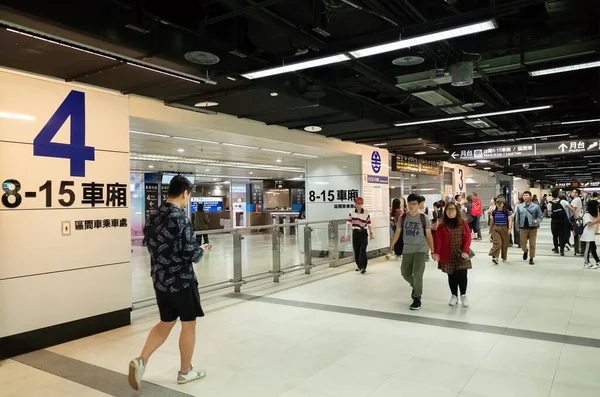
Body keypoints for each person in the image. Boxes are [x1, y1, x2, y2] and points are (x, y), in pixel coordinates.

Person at [129, 175, 209, 391]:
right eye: (189, 196)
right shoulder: (180, 218)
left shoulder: (154, 215)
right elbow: (190, 253)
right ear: (185, 193)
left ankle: (142, 360)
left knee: (165, 322)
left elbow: (151, 243)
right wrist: (201, 250)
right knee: (189, 323)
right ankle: (185, 371)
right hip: (181, 281)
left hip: (160, 280)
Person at [389, 194, 434, 311]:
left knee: (418, 274)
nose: (411, 206)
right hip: (407, 249)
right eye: (409, 203)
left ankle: (417, 297)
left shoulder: (423, 218)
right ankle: (415, 286)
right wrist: (391, 245)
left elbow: (429, 235)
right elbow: (397, 232)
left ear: (418, 205)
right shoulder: (403, 217)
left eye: (414, 203)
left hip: (420, 249)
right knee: (404, 273)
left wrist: (433, 251)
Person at [433, 202, 472, 307]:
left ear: (457, 211)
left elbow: (468, 237)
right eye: (448, 210)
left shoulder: (462, 223)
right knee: (451, 275)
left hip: (461, 254)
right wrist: (436, 252)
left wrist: (465, 250)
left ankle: (463, 295)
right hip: (448, 254)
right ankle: (454, 295)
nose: (450, 211)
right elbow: (438, 240)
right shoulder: (442, 226)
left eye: (453, 209)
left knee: (462, 274)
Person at [345, 197, 374, 274]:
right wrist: (346, 233)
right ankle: (359, 265)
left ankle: (363, 267)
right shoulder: (351, 212)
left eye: (360, 203)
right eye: (357, 203)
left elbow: (369, 223)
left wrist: (371, 233)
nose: (358, 205)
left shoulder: (366, 212)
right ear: (355, 203)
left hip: (363, 233)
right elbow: (348, 223)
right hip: (355, 232)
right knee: (357, 250)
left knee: (362, 250)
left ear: (362, 204)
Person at [515, 191, 544, 265]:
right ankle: (525, 250)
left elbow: (540, 216)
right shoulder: (519, 206)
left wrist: (536, 221)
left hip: (533, 228)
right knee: (522, 243)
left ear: (530, 197)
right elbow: (517, 218)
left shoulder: (535, 206)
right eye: (524, 195)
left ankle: (531, 257)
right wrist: (517, 227)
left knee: (532, 243)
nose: (525, 197)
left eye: (527, 195)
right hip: (523, 227)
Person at [489, 198, 512, 264]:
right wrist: (490, 229)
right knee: (497, 243)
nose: (499, 205)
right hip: (496, 228)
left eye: (500, 203)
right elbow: (492, 221)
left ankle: (504, 257)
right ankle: (496, 257)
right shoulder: (494, 212)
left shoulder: (506, 211)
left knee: (505, 244)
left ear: (503, 204)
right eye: (497, 203)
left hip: (505, 228)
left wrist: (509, 228)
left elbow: (510, 220)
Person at [549, 189, 570, 256]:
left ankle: (556, 249)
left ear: (552, 196)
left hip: (554, 222)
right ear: (558, 195)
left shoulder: (550, 203)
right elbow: (571, 208)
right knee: (562, 236)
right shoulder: (563, 201)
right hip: (562, 222)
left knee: (555, 236)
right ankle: (562, 250)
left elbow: (549, 214)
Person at [582, 200, 600, 269]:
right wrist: (597, 221)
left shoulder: (592, 214)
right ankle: (586, 262)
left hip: (590, 234)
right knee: (588, 249)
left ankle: (598, 261)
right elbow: (589, 224)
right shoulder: (587, 215)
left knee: (593, 248)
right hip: (587, 234)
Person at [568, 189, 584, 256]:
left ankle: (580, 249)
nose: (572, 193)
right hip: (576, 219)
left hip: (578, 219)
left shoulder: (577, 200)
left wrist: (567, 205)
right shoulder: (575, 200)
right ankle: (577, 249)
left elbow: (573, 210)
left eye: (573, 192)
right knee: (576, 234)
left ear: (577, 194)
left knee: (578, 234)